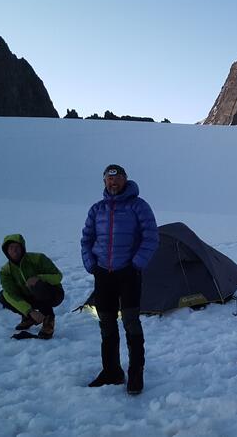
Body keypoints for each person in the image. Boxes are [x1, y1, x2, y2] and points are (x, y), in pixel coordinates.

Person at [81, 164, 158, 395]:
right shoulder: (97, 209)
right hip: (103, 274)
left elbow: (151, 237)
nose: (112, 183)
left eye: (117, 179)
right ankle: (112, 371)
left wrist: (136, 264)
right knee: (106, 323)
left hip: (129, 273)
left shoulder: (138, 206)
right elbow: (86, 239)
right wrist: (91, 265)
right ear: (104, 182)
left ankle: (136, 372)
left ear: (125, 180)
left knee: (131, 323)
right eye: (108, 179)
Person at [0, 234, 64, 339]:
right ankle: (29, 318)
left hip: (54, 294)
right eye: (11, 248)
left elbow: (58, 276)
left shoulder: (38, 258)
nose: (14, 251)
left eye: (17, 247)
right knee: (3, 296)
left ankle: (48, 320)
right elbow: (10, 293)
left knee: (36, 285)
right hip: (31, 299)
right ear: (6, 251)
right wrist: (29, 311)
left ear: (22, 248)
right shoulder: (6, 271)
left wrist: (39, 278)